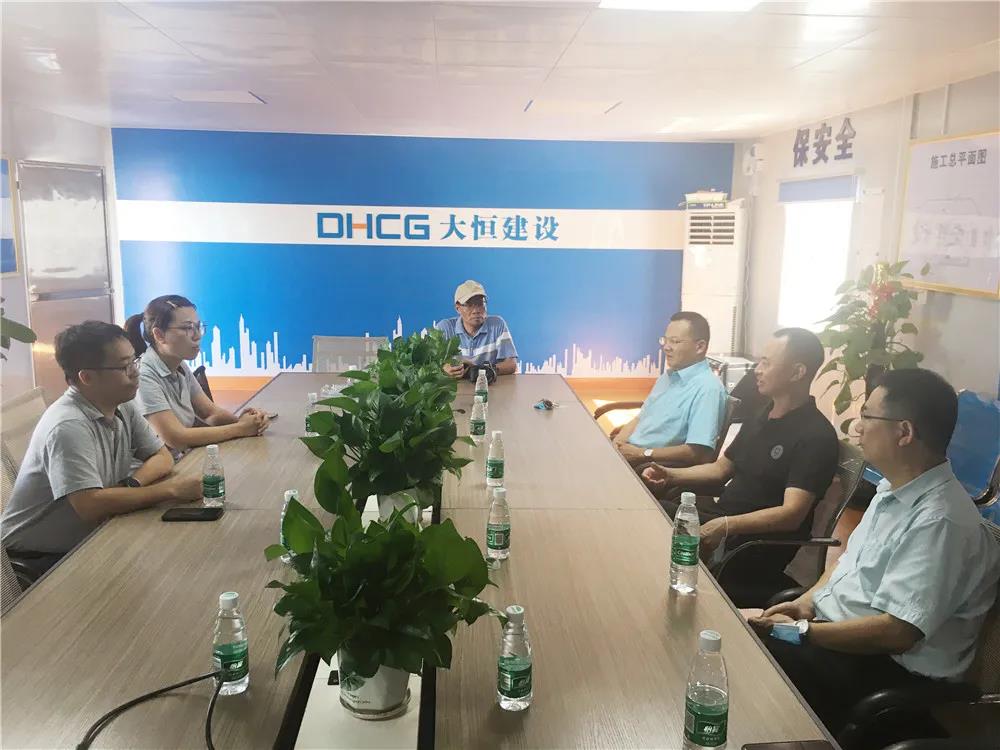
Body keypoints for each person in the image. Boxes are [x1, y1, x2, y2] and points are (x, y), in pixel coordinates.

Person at [748, 368, 1000, 740]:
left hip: (889, 671)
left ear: (904, 432)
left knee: (755, 659)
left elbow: (897, 632)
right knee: (753, 636)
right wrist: (806, 602)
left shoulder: (941, 521)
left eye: (867, 416)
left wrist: (803, 633)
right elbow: (847, 563)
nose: (857, 427)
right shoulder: (893, 489)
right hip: (843, 641)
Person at [0, 321, 202, 581]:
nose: (135, 373)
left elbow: (162, 457)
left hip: (95, 533)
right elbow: (90, 505)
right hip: (36, 562)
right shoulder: (68, 425)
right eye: (124, 367)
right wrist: (170, 490)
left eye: (134, 361)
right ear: (87, 377)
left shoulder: (121, 403)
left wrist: (130, 485)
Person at [642, 328, 839, 588]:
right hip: (723, 521)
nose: (757, 370)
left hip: (751, 546)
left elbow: (791, 514)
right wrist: (669, 475)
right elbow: (721, 469)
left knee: (653, 533)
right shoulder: (763, 414)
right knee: (649, 512)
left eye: (766, 363)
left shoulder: (816, 436)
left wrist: (725, 525)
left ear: (797, 372)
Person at [124, 295, 269, 454]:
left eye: (198, 327)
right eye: (187, 328)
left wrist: (250, 422)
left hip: (180, 458)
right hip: (156, 465)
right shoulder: (143, 375)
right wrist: (241, 428)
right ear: (159, 335)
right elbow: (175, 438)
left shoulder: (179, 364)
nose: (197, 335)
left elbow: (210, 413)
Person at [613, 311, 728, 469]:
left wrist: (643, 453)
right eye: (665, 340)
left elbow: (696, 452)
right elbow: (641, 418)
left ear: (700, 346)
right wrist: (618, 443)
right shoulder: (668, 377)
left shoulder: (708, 389)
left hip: (649, 465)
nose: (666, 347)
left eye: (674, 341)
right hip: (629, 453)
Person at [435, 280, 518, 379]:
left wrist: (488, 370)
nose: (476, 310)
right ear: (458, 308)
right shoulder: (444, 328)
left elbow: (511, 364)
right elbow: (427, 364)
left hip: (488, 385)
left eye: (480, 303)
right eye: (469, 305)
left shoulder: (497, 324)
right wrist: (442, 369)